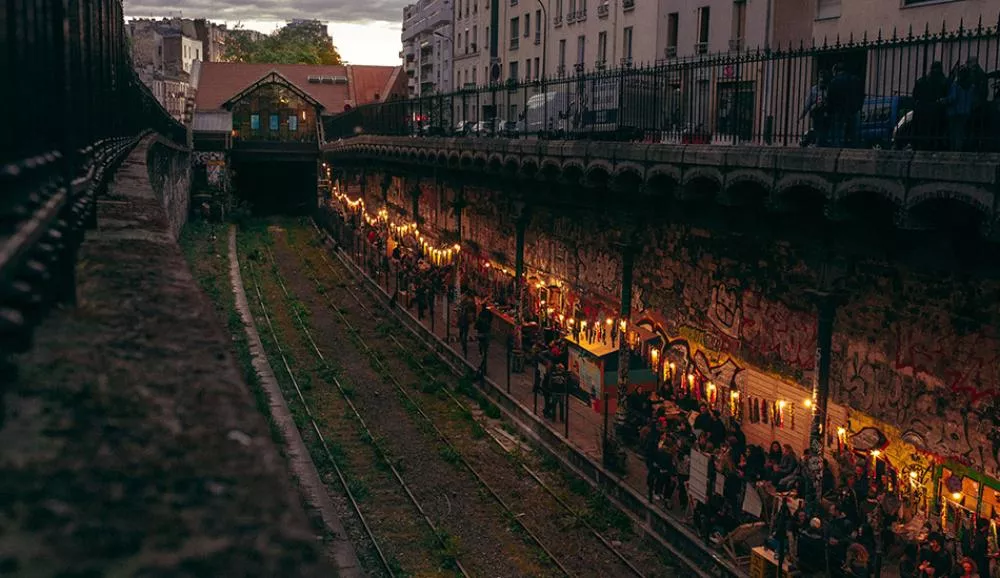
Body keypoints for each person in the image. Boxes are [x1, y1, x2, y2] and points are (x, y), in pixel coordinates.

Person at [911, 61, 949, 150]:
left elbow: (915, 96)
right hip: (937, 111)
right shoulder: (943, 82)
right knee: (936, 133)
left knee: (923, 133)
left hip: (923, 110)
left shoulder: (922, 81)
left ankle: (922, 147)